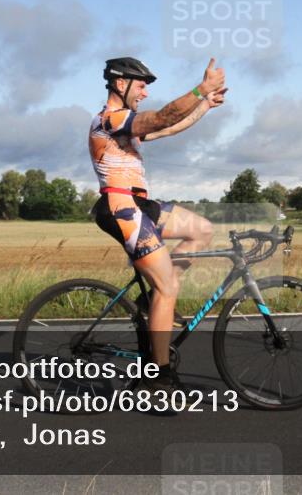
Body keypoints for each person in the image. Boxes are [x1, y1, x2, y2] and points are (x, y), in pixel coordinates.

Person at [89, 56, 227, 393]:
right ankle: (159, 375)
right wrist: (199, 89)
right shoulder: (110, 120)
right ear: (120, 84)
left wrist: (204, 106)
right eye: (141, 86)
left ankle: (153, 302)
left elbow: (167, 127)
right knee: (169, 288)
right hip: (120, 206)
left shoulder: (128, 125)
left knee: (202, 230)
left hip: (140, 204)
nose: (145, 93)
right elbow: (163, 115)